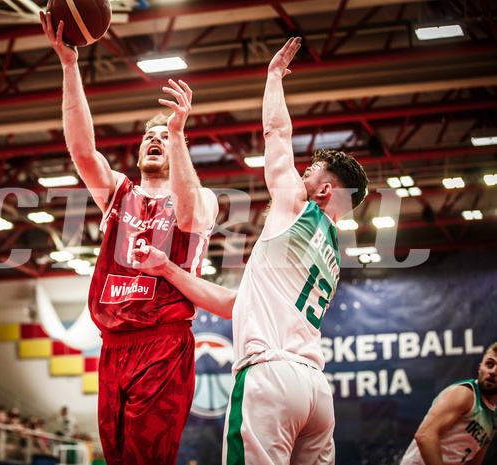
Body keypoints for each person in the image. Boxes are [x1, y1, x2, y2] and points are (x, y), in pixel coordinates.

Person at [131, 37, 369, 464]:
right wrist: (167, 268)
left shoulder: (298, 206)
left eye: (311, 171)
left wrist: (273, 76)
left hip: (270, 377)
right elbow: (232, 305)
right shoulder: (332, 255)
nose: (303, 173)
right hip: (316, 390)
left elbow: (276, 133)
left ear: (325, 190)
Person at [40, 11, 219, 465]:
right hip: (113, 345)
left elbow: (191, 209)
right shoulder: (119, 193)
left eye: (164, 136)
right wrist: (68, 65)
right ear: (138, 152)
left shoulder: (199, 197)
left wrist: (177, 134)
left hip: (163, 340)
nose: (156, 140)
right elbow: (82, 149)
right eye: (150, 137)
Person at [399, 343, 497, 465]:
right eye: (489, 364)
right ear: (480, 367)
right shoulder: (465, 393)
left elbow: (474, 462)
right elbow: (424, 436)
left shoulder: (493, 419)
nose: (493, 371)